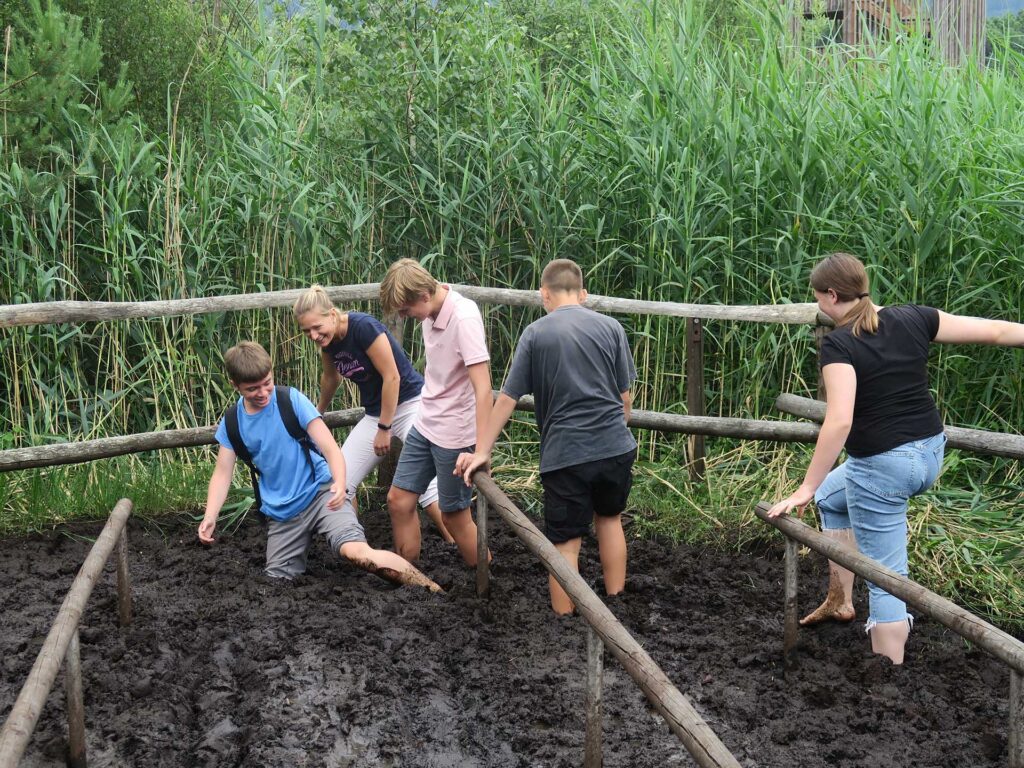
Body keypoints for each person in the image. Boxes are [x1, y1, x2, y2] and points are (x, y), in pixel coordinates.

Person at [767, 252, 1024, 664]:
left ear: (831, 295)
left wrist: (805, 486)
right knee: (832, 498)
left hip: (882, 469)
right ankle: (840, 600)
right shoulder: (914, 317)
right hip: (929, 454)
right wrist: (818, 489)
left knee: (886, 578)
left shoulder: (839, 343)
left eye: (817, 297)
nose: (818, 304)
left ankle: (889, 673)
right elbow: (995, 331)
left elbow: (839, 421)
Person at [454, 259, 637, 615]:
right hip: (615, 447)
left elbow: (507, 398)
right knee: (610, 519)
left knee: (566, 542)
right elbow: (624, 399)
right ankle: (617, 602)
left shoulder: (536, 334)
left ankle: (564, 620)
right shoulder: (611, 327)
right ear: (582, 294)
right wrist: (616, 433)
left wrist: (482, 450)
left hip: (566, 454)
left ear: (544, 294)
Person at [197, 341, 441, 592]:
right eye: (252, 389)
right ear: (235, 385)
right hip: (282, 513)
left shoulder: (290, 400)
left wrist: (340, 482)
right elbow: (222, 473)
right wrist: (210, 516)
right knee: (275, 583)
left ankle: (432, 589)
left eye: (267, 383)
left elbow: (330, 448)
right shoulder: (232, 422)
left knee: (356, 552)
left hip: (322, 493)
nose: (263, 393)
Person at [292, 285, 453, 545]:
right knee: (341, 480)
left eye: (316, 327)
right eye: (306, 331)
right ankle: (353, 543)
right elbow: (331, 379)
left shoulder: (363, 327)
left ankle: (456, 543)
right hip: (376, 414)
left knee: (426, 485)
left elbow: (392, 377)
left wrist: (384, 428)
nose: (313, 335)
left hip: (411, 404)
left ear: (331, 314)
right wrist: (317, 413)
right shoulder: (328, 344)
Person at [378, 259, 493, 566]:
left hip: (455, 434)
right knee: (398, 501)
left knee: (454, 516)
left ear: (425, 295)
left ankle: (485, 577)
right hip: (426, 422)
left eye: (406, 310)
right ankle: (409, 579)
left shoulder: (463, 318)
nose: (405, 317)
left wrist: (481, 450)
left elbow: (483, 389)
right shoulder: (429, 313)